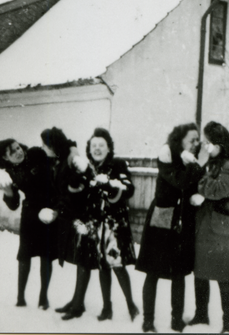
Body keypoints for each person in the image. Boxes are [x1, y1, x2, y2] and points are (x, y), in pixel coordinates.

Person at [135, 123, 206, 333]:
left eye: (197, 140)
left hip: (182, 222)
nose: (196, 144)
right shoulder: (167, 156)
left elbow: (194, 186)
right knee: (153, 272)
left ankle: (176, 320)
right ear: (179, 139)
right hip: (162, 221)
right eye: (191, 140)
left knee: (179, 273)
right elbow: (181, 182)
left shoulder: (191, 161)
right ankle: (148, 321)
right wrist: (196, 164)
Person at [37, 127, 98, 321]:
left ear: (52, 145)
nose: (42, 148)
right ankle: (75, 301)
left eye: (44, 144)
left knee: (82, 260)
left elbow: (75, 191)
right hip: (73, 216)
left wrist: (58, 211)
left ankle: (78, 304)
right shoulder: (63, 160)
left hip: (82, 217)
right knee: (80, 260)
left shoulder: (70, 161)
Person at [188, 121, 229, 334]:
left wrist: (202, 189)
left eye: (209, 143)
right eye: (205, 142)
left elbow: (218, 189)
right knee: (200, 272)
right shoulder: (209, 162)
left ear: (220, 144)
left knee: (223, 275)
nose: (206, 147)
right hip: (202, 223)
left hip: (219, 227)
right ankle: (201, 315)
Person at [0, 138, 57, 310]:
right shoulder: (8, 174)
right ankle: (20, 297)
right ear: (5, 158)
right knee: (24, 255)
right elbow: (14, 204)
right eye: (12, 152)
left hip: (48, 209)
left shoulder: (36, 154)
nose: (18, 151)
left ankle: (43, 297)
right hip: (29, 212)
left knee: (46, 255)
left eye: (18, 147)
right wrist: (8, 191)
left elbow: (50, 174)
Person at [85, 128, 140, 322]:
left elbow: (128, 189)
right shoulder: (88, 168)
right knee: (102, 267)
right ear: (89, 149)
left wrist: (110, 185)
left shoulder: (117, 165)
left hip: (114, 225)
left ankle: (131, 305)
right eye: (94, 146)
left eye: (101, 145)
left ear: (109, 148)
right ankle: (107, 307)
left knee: (117, 265)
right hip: (96, 225)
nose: (97, 149)